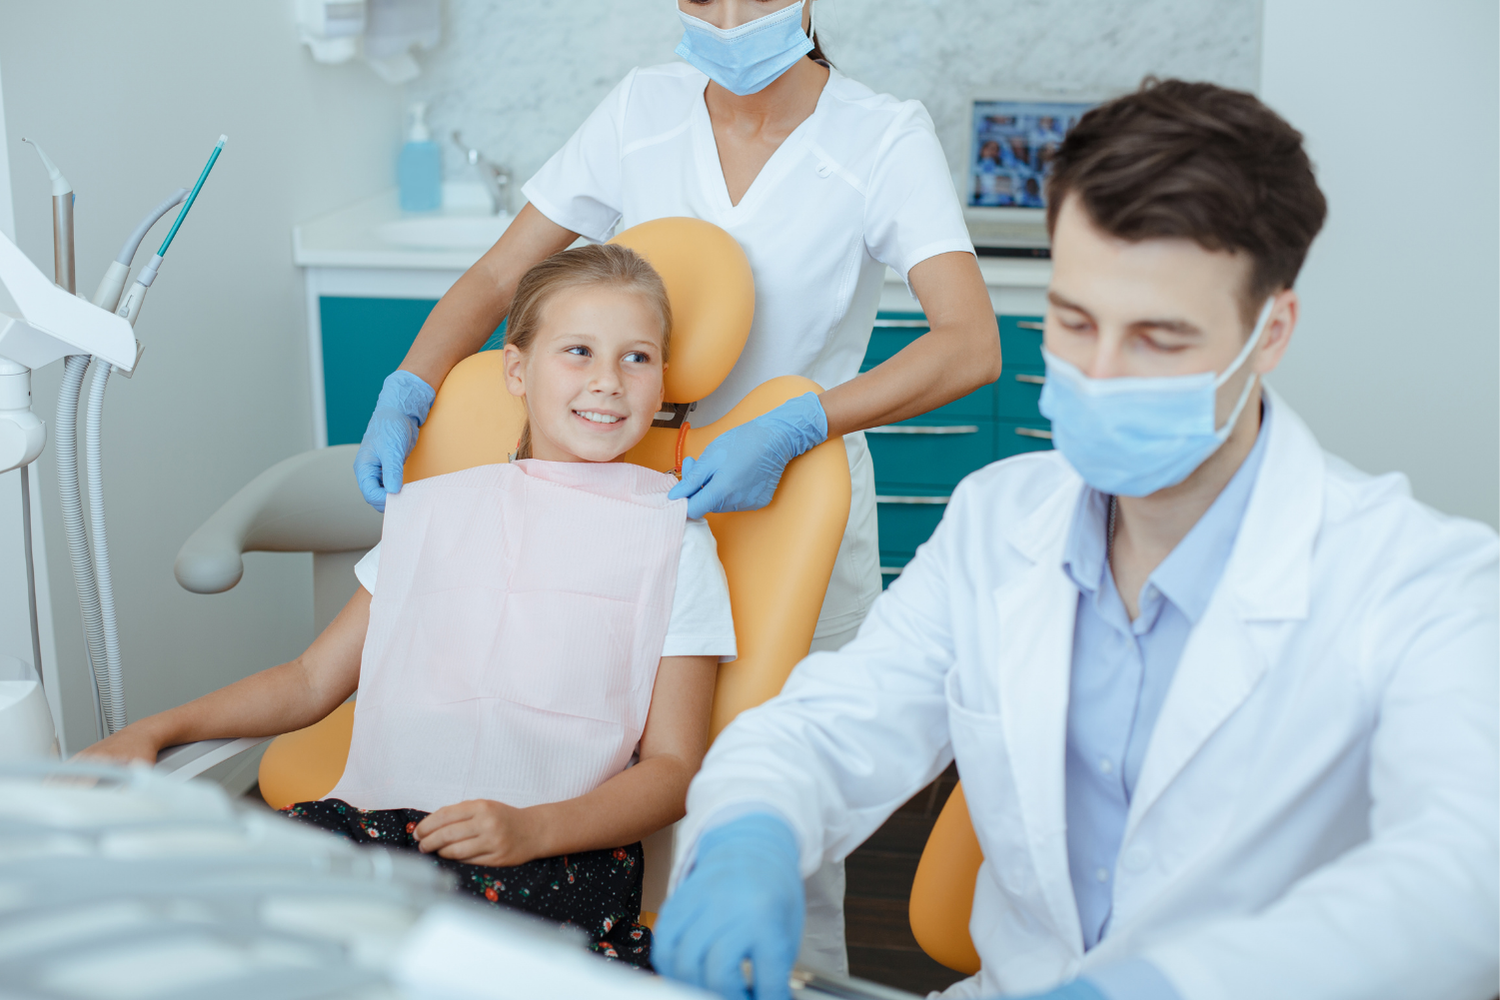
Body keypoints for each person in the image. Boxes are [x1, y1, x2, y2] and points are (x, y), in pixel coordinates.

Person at [652, 79, 1499, 1000]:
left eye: (1159, 340)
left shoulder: (1423, 581)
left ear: (1271, 333)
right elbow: (827, 728)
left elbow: (1462, 879)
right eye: (1074, 321)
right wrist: (749, 833)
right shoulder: (996, 524)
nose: (1097, 375)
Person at [350, 0, 1000, 974]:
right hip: (636, 502)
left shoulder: (879, 135)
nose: (730, 15)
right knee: (610, 779)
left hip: (793, 508)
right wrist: (412, 378)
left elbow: (970, 342)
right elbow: (499, 278)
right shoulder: (639, 110)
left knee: (779, 809)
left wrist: (798, 421)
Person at [80, 245, 738, 968]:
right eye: (578, 351)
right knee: (194, 933)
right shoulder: (434, 513)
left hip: (548, 860)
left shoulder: (672, 539)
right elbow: (308, 681)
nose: (608, 382)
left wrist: (533, 830)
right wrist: (156, 729)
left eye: (637, 358)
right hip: (377, 833)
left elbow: (674, 768)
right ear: (516, 371)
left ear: (663, 379)